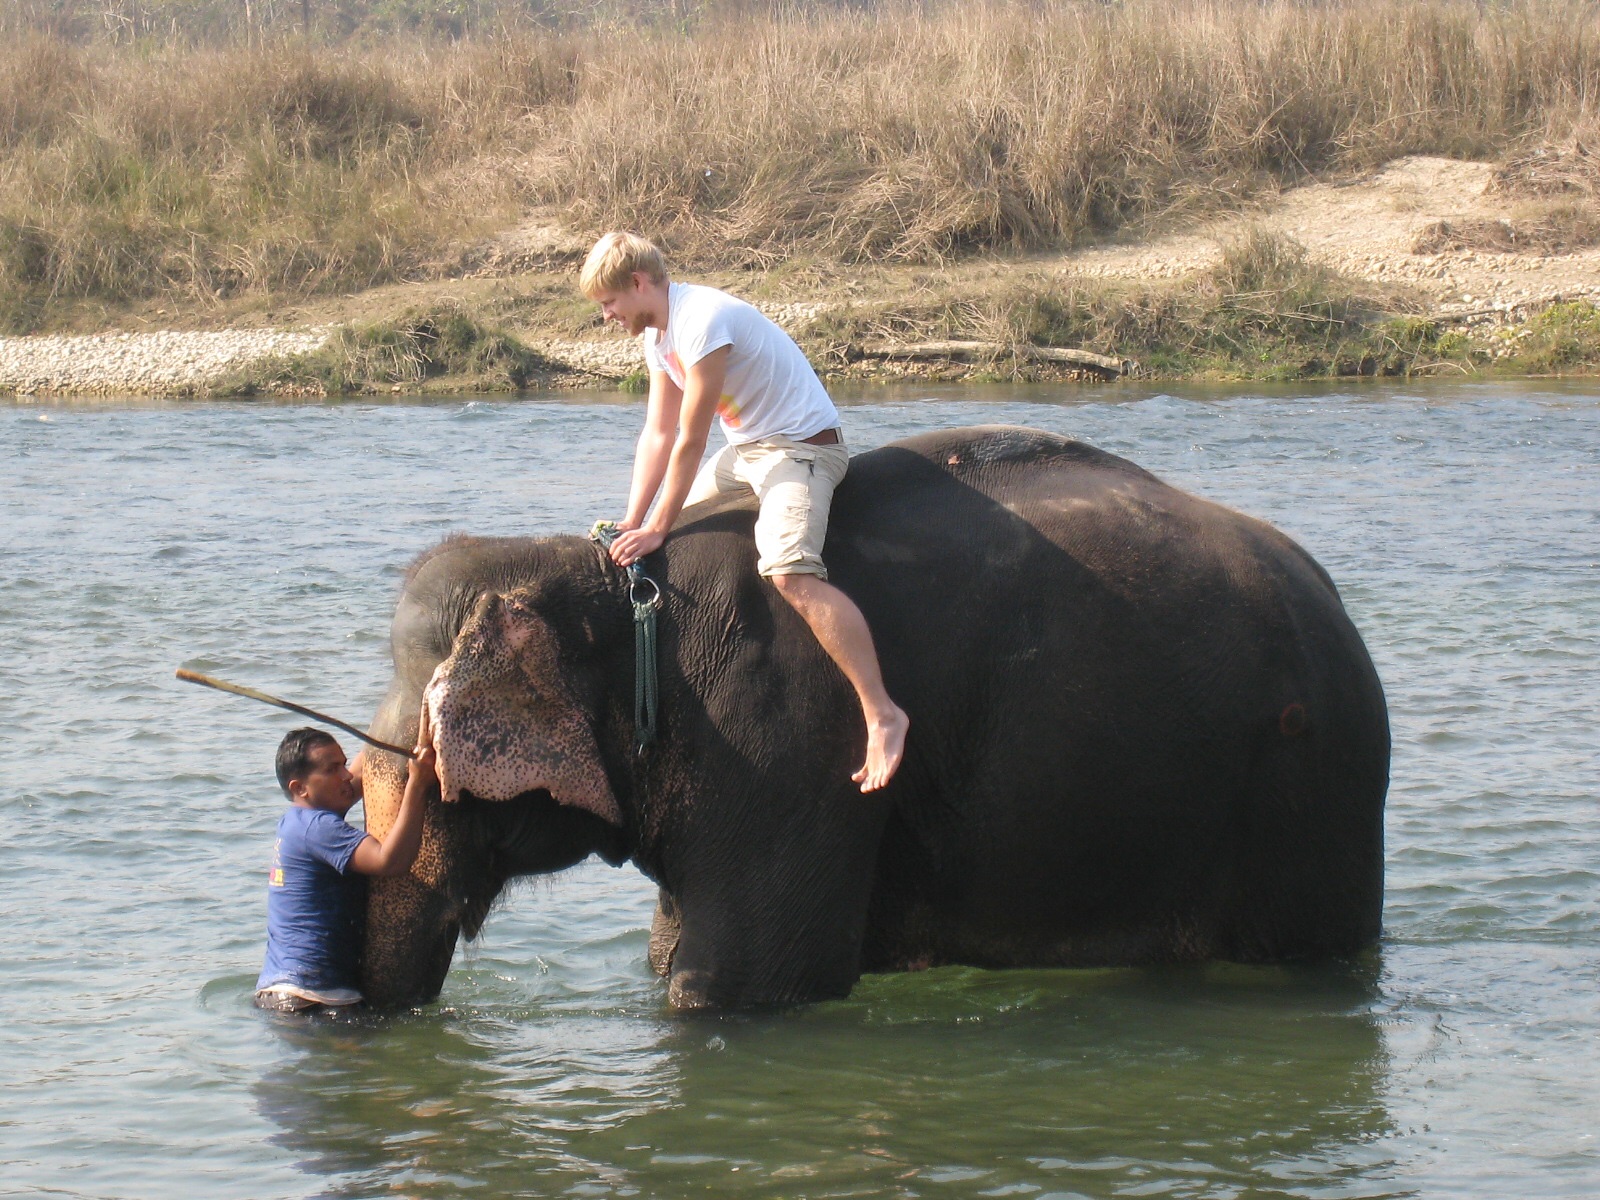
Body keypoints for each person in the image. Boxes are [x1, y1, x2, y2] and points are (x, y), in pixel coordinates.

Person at [579, 231, 909, 791]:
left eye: (609, 302)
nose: (607, 315)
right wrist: (635, 521)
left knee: (790, 572)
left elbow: (689, 437)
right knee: (676, 535)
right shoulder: (659, 337)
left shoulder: (702, 320)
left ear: (638, 284)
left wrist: (657, 526)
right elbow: (656, 434)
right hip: (749, 451)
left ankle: (882, 712)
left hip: (802, 448)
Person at [254, 709, 436, 1013]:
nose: (346, 775)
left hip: (286, 993)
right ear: (299, 788)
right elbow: (389, 862)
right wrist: (418, 784)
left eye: (343, 763)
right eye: (332, 770)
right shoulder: (319, 828)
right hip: (310, 998)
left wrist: (391, 720)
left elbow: (361, 773)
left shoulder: (297, 822)